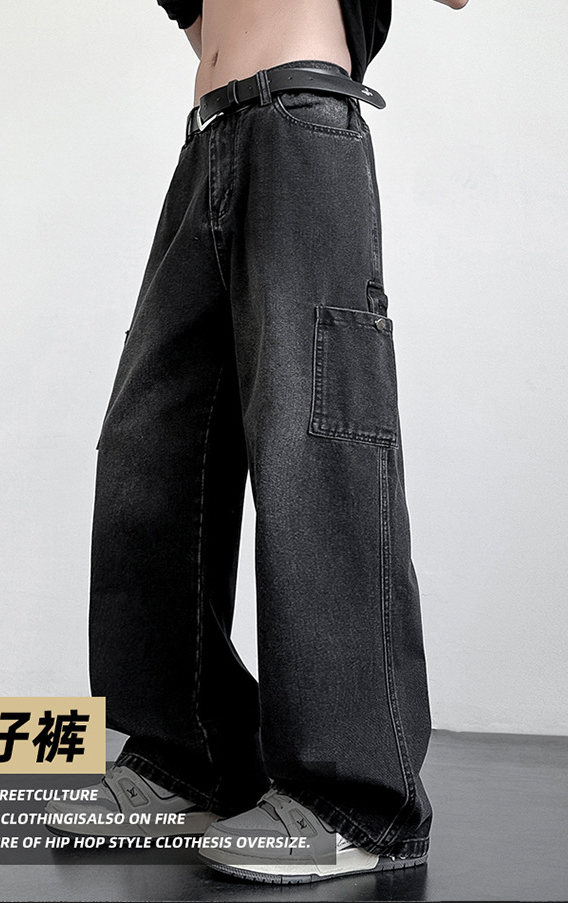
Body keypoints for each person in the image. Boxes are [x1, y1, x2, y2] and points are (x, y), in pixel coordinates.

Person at [48, 0, 469, 885]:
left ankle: (359, 800)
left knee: (317, 445)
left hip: (304, 128)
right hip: (209, 139)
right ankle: (187, 755)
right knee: (149, 444)